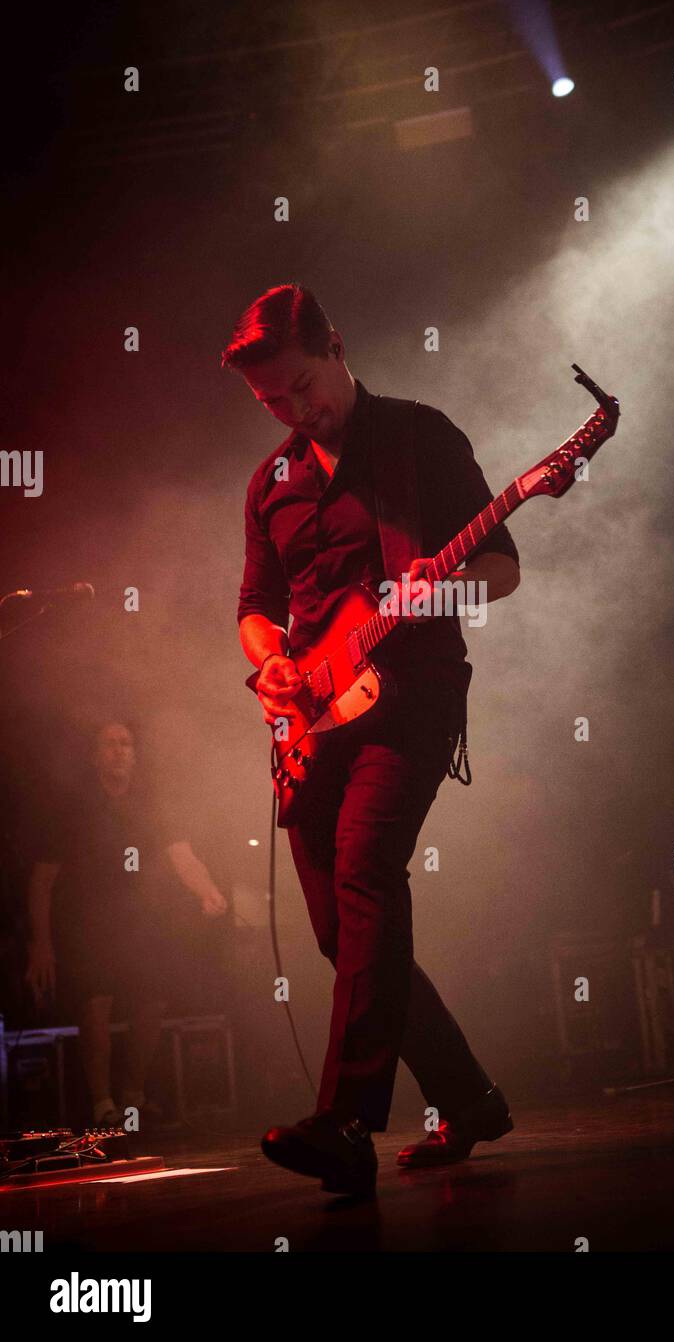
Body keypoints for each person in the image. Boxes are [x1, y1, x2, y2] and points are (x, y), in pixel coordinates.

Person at [224, 283, 521, 1195]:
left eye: (303, 386)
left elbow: (502, 573)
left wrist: (442, 590)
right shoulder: (269, 483)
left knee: (364, 872)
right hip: (313, 718)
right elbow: (253, 609)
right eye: (271, 401)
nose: (293, 410)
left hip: (415, 698)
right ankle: (468, 1100)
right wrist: (271, 662)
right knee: (340, 934)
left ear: (338, 347)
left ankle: (345, 1122)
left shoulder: (421, 436)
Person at [26, 720, 227, 1128]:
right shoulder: (74, 808)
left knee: (151, 1004)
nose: (119, 751)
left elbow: (183, 856)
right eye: (109, 744)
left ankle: (133, 1094)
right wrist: (41, 943)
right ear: (95, 755)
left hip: (141, 921)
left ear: (135, 754)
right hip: (90, 924)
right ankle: (103, 1104)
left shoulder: (150, 804)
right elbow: (42, 880)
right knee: (96, 1008)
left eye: (126, 743)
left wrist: (207, 890)